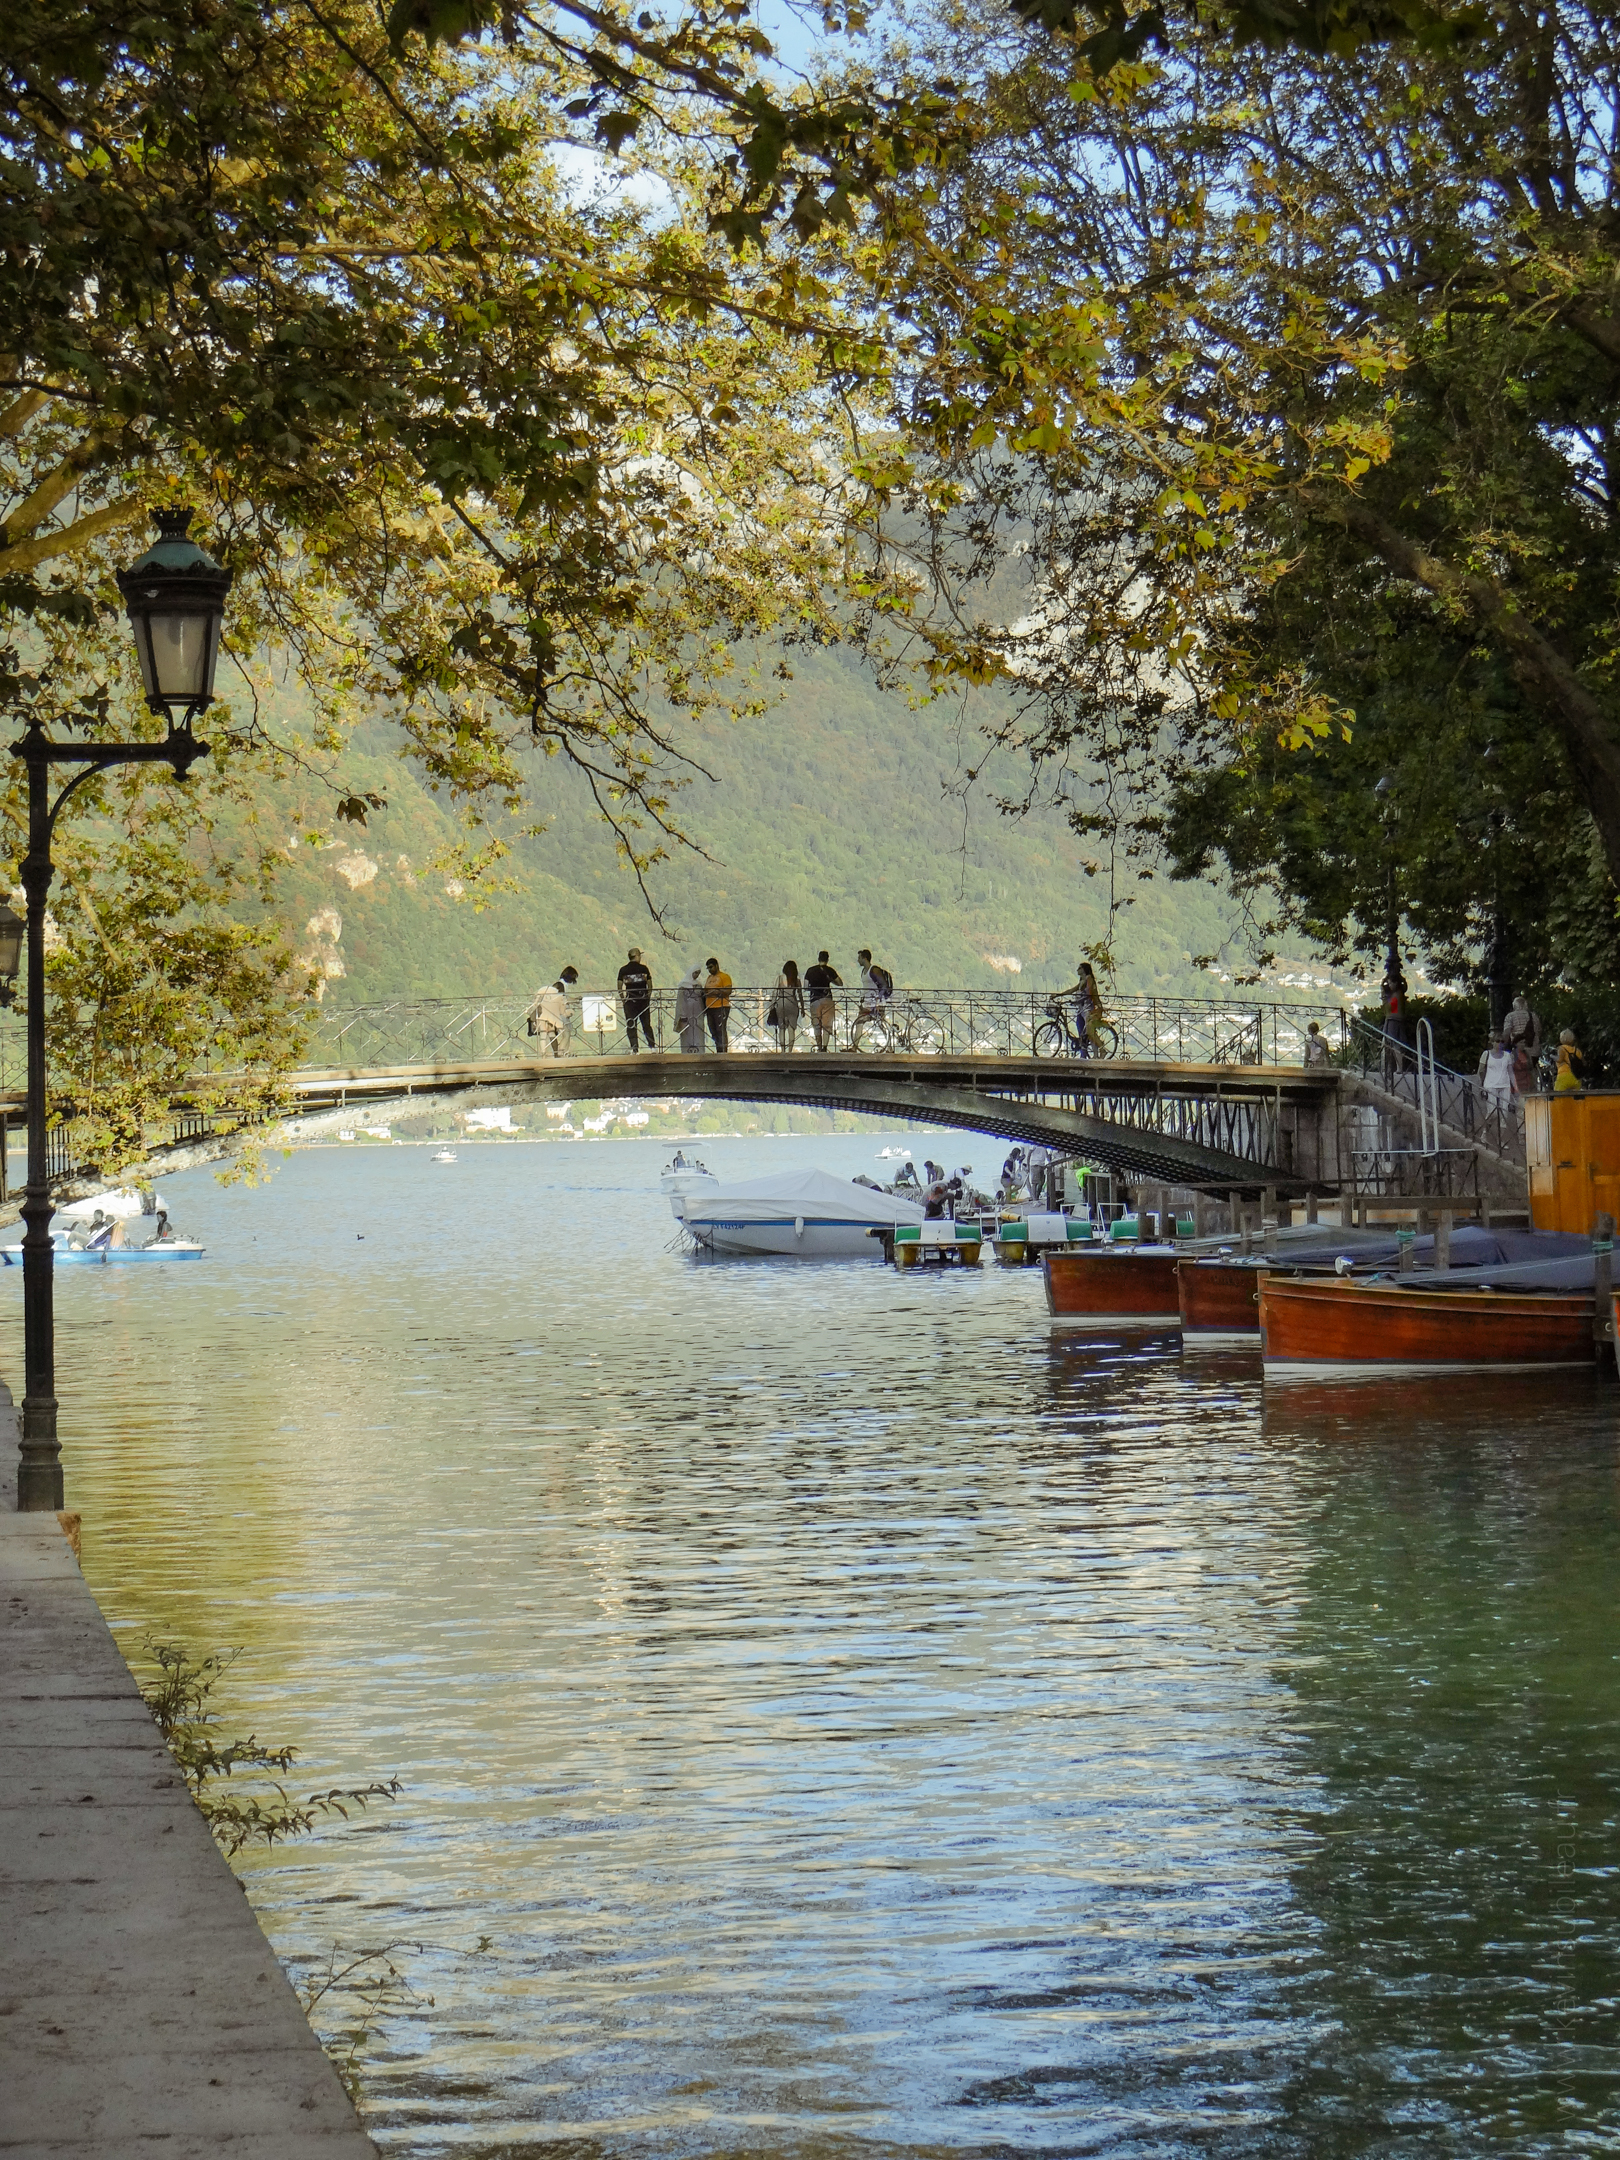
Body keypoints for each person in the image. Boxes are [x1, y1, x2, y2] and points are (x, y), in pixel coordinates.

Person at [526, 965, 578, 1057]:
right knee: (566, 1033)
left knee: (550, 1034)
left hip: (549, 1013)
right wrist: (575, 1000)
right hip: (557, 1014)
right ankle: (561, 1053)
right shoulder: (560, 985)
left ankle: (555, 1053)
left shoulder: (559, 984)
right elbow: (563, 998)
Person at [850, 947, 894, 1050]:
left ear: (864, 958)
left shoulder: (874, 970)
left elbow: (883, 985)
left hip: (876, 1003)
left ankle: (890, 1047)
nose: (858, 960)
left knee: (881, 1024)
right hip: (867, 1003)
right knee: (860, 1022)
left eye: (859, 958)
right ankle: (854, 1047)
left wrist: (878, 999)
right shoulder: (864, 971)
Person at [617, 947, 656, 1051]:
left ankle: (635, 1048)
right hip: (643, 1000)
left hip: (630, 1001)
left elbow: (619, 987)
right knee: (646, 1024)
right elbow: (650, 985)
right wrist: (647, 997)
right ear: (637, 956)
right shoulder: (644, 969)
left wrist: (623, 1000)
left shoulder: (623, 970)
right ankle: (652, 1047)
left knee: (631, 1024)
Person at [1503, 993, 1541, 1095]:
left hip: (1519, 1051)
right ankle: (1533, 1092)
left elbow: (1506, 1033)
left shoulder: (1510, 1016)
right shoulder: (1534, 1016)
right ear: (1525, 1005)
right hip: (1534, 1051)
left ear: (1514, 1006)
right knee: (1531, 1072)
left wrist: (1505, 1046)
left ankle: (1520, 1095)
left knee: (1518, 1073)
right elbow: (1538, 1032)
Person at [804, 950, 842, 1051]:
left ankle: (819, 1046)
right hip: (827, 998)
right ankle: (825, 1047)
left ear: (818, 958)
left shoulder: (810, 971)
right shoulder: (830, 970)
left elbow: (805, 987)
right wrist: (830, 980)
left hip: (814, 999)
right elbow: (840, 983)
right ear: (827, 959)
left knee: (816, 1024)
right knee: (827, 1025)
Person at [1478, 1032, 1517, 1121]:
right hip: (1490, 1085)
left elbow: (1511, 1072)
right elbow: (1480, 1071)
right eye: (1497, 1041)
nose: (1500, 1043)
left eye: (1502, 1041)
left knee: (1504, 1114)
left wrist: (1515, 1087)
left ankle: (1501, 1134)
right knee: (1492, 1112)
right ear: (1492, 1042)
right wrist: (1481, 1085)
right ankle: (1485, 1132)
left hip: (1505, 1085)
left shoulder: (1507, 1055)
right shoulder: (1486, 1054)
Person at [769, 960, 806, 1051]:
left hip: (781, 1003)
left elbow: (775, 993)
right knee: (791, 1029)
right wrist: (802, 1008)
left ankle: (782, 1051)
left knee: (781, 1028)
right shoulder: (796, 980)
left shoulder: (780, 978)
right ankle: (790, 1050)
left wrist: (772, 1005)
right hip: (793, 1003)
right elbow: (800, 995)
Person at [703, 957, 733, 1053]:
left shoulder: (724, 977)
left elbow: (728, 991)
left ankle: (723, 1051)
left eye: (711, 967)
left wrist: (716, 992)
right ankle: (718, 1049)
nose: (710, 970)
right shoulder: (709, 978)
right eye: (708, 968)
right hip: (709, 1007)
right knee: (712, 1029)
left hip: (721, 1006)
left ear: (716, 966)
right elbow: (705, 990)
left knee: (720, 1029)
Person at [674, 965, 706, 1054]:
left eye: (698, 973)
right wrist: (681, 1014)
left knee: (698, 1032)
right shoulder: (683, 985)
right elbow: (680, 1001)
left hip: (697, 1012)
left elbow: (703, 998)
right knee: (687, 1032)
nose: (696, 975)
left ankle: (699, 1052)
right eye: (695, 973)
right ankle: (686, 1052)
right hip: (686, 1012)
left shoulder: (698, 985)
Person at [1554, 1027, 1587, 1093]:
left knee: (1558, 1097)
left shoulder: (1561, 1048)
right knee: (1575, 1099)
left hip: (1564, 1076)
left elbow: (1559, 1059)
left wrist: (1552, 1056)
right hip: (1576, 1077)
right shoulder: (1577, 1050)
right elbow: (1584, 1063)